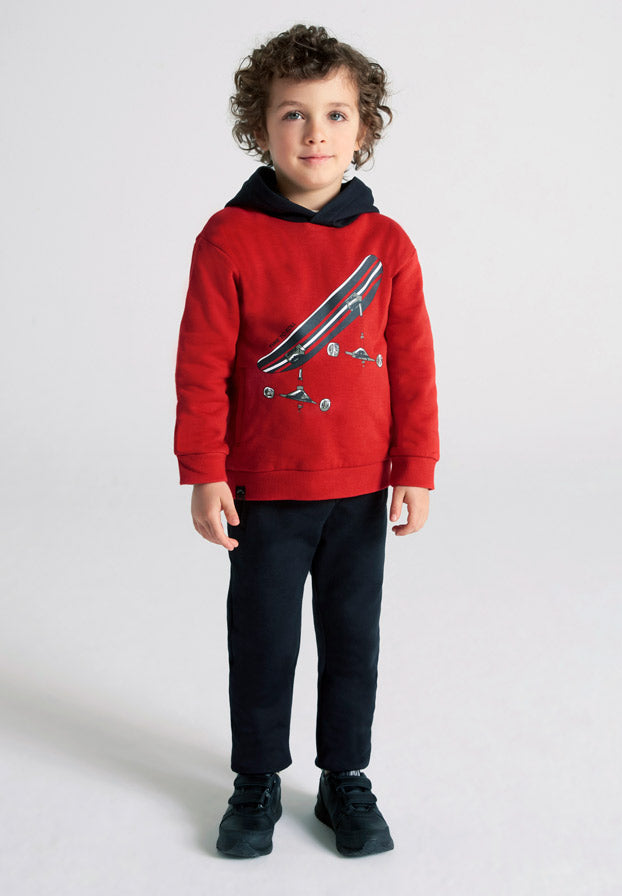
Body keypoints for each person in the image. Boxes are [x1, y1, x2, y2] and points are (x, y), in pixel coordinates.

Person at [173, 23, 439, 859]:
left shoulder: (387, 245)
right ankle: (255, 778)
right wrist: (204, 470)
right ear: (261, 127)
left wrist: (416, 467)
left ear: (363, 127)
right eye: (293, 114)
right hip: (263, 490)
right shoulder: (228, 237)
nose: (315, 132)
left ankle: (344, 777)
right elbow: (201, 365)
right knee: (263, 644)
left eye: (335, 113)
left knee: (353, 644)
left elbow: (414, 367)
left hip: (360, 491)